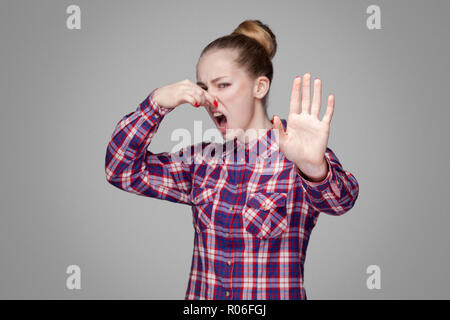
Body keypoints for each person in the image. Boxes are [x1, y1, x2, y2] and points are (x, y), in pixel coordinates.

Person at [105, 19, 359, 300]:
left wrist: (313, 168)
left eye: (223, 85)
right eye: (205, 88)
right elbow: (122, 171)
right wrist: (155, 104)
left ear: (259, 87)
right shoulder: (201, 162)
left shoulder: (297, 155)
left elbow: (341, 202)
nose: (209, 101)